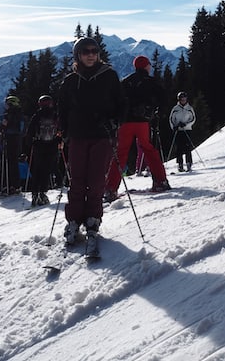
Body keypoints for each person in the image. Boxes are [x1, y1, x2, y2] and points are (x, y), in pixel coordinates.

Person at [57, 37, 123, 252]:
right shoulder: (70, 81)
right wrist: (63, 131)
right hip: (77, 136)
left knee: (95, 181)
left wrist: (114, 121)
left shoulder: (109, 76)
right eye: (85, 51)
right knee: (77, 181)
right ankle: (73, 221)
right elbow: (63, 108)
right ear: (78, 55)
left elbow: (122, 103)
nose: (91, 54)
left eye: (94, 50)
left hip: (101, 136)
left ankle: (93, 219)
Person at [107, 55, 170, 197]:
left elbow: (116, 100)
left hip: (125, 122)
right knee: (149, 150)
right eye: (149, 65)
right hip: (143, 122)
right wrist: (159, 113)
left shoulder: (126, 81)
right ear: (146, 66)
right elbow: (163, 98)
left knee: (121, 153)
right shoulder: (152, 82)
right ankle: (160, 181)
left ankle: (110, 188)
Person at [24, 94, 58, 206]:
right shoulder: (54, 115)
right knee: (46, 170)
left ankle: (35, 194)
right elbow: (60, 129)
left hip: (38, 145)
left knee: (37, 170)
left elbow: (29, 131)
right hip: (51, 145)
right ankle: (43, 193)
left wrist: (29, 144)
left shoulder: (37, 115)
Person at [169, 91, 196, 172]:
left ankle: (189, 163)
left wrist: (186, 124)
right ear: (179, 99)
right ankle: (180, 164)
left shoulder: (189, 108)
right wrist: (174, 126)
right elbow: (171, 119)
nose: (183, 100)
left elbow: (193, 119)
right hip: (179, 131)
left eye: (184, 98)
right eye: (182, 99)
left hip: (187, 130)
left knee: (188, 147)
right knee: (179, 148)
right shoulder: (175, 109)